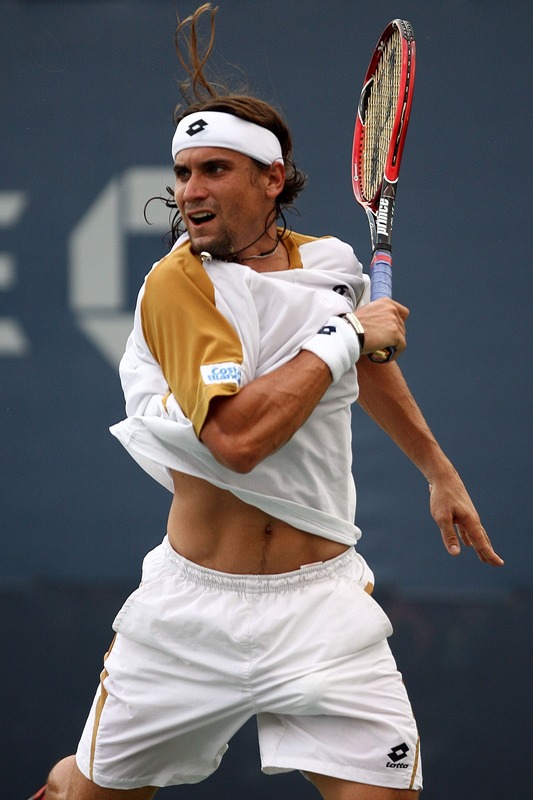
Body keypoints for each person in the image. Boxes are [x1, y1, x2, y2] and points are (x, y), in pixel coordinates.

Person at [31, 5, 503, 800]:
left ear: (271, 178)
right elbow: (239, 442)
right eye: (182, 173)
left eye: (214, 170)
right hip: (190, 617)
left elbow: (367, 370)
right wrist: (346, 334)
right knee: (90, 794)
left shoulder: (327, 266)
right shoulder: (176, 287)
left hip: (321, 608)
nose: (189, 190)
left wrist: (436, 469)